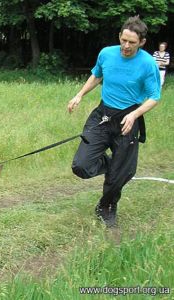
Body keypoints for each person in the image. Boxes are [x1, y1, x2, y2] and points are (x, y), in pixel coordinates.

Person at [67, 16, 161, 227]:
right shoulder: (106, 54)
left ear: (142, 42)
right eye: (123, 40)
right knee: (81, 166)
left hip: (128, 119)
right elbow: (96, 75)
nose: (126, 46)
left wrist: (135, 114)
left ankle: (106, 206)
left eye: (132, 43)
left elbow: (154, 96)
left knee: (119, 177)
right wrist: (79, 95)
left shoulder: (147, 64)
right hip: (103, 116)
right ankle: (116, 166)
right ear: (119, 36)